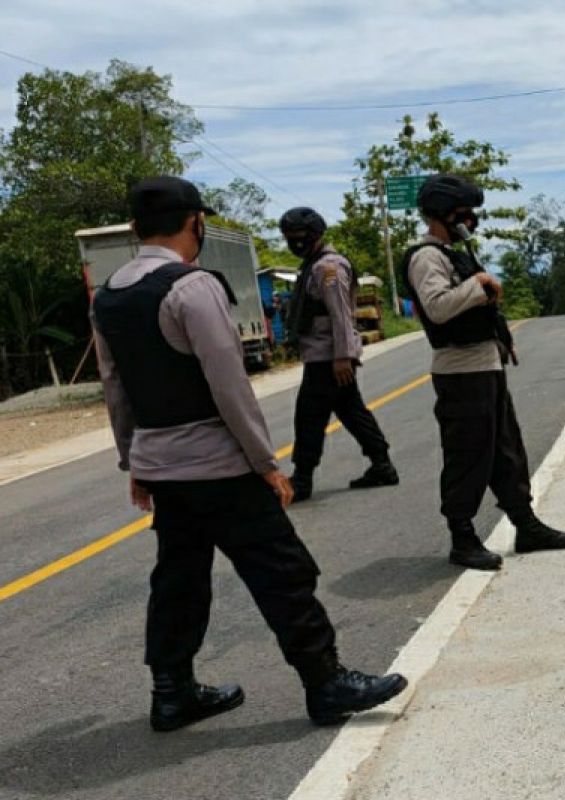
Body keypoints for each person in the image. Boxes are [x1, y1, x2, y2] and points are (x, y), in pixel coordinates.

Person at [91, 177, 405, 731]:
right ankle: (326, 682)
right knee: (282, 570)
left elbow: (114, 388)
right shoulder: (192, 287)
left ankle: (172, 692)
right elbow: (228, 384)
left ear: (136, 228)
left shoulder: (110, 295)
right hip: (219, 465)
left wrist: (133, 463)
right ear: (196, 223)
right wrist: (266, 463)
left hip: (163, 469)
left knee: (179, 578)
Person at [403, 174, 565, 571]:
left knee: (506, 452)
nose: (472, 221)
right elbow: (437, 307)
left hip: (486, 367)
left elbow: (479, 309)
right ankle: (462, 538)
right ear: (445, 214)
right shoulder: (427, 257)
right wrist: (480, 283)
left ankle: (526, 525)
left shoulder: (456, 253)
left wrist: (500, 336)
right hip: (460, 373)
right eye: (466, 213)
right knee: (467, 455)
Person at [279, 207, 398, 502]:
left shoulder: (327, 267)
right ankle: (382, 464)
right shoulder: (313, 264)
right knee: (350, 410)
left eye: (301, 237)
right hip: (323, 355)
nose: (296, 243)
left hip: (328, 357)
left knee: (309, 415)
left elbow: (341, 315)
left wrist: (343, 356)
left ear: (317, 235)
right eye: (290, 238)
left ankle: (302, 479)